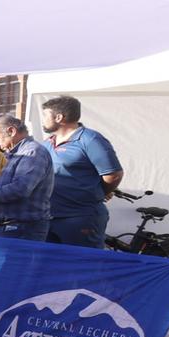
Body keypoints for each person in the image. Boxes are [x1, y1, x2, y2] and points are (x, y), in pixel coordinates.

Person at [40, 95, 123, 249]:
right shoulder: (47, 143)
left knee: (83, 267)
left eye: (45, 115)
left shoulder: (91, 140)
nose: (43, 119)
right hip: (50, 217)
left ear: (59, 117)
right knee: (52, 266)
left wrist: (100, 191)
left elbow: (113, 175)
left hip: (81, 218)